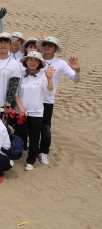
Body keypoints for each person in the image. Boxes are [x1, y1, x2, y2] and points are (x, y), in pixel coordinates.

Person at [36, 35, 81, 165]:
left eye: (50, 45)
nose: (46, 46)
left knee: (45, 128)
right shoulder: (35, 59)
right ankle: (29, 148)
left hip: (47, 100)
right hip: (31, 98)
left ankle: (43, 152)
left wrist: (78, 70)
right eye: (44, 44)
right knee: (29, 126)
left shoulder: (60, 63)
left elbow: (76, 80)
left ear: (55, 48)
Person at [13, 51, 56, 171]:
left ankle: (30, 161)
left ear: (39, 63)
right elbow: (15, 92)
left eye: (36, 60)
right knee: (19, 135)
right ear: (26, 61)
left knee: (34, 138)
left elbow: (50, 92)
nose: (32, 62)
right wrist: (20, 107)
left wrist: (50, 79)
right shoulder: (20, 74)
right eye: (30, 59)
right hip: (20, 111)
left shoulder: (44, 75)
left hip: (36, 112)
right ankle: (17, 154)